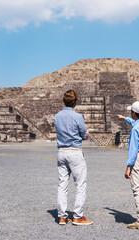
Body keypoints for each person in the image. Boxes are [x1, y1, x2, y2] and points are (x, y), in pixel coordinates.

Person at [54, 90, 93, 226]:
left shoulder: (57, 116)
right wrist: (86, 135)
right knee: (80, 185)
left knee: (62, 184)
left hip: (61, 152)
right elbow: (83, 134)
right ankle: (77, 216)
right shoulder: (78, 117)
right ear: (75, 102)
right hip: (75, 152)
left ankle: (62, 217)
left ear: (64, 101)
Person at [117, 101, 139, 230]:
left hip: (137, 158)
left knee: (137, 190)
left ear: (133, 113)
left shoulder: (135, 130)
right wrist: (123, 118)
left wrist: (128, 167)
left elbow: (132, 150)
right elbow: (135, 122)